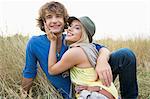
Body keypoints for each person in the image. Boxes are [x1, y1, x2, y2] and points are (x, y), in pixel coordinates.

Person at [21, 1, 138, 99]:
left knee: (126, 55)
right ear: (44, 22)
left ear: (64, 21)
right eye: (49, 17)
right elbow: (29, 72)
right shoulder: (35, 43)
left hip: (94, 78)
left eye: (58, 16)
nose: (54, 20)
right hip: (76, 90)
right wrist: (23, 95)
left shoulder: (72, 40)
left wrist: (101, 61)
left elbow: (100, 48)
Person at [47, 16, 118, 99]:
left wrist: (53, 41)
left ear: (84, 34)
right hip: (106, 93)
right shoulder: (91, 48)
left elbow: (52, 70)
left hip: (95, 95)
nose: (69, 29)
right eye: (70, 26)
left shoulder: (75, 52)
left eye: (77, 28)